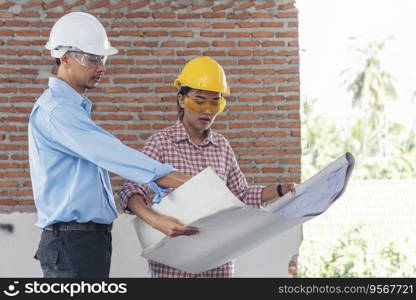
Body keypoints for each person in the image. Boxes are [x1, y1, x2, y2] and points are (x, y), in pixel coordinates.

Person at [28, 12, 196, 278]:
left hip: (85, 242)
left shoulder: (72, 110)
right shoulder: (57, 111)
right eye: (91, 58)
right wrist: (176, 179)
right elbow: (112, 153)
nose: (101, 67)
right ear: (64, 57)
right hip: (72, 243)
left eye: (102, 58)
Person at [119, 56, 296, 278]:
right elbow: (130, 192)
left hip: (218, 267)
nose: (208, 111)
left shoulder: (221, 146)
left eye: (215, 103)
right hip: (174, 269)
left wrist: (281, 190)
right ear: (182, 100)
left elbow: (240, 193)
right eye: (199, 101)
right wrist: (156, 221)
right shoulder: (161, 143)